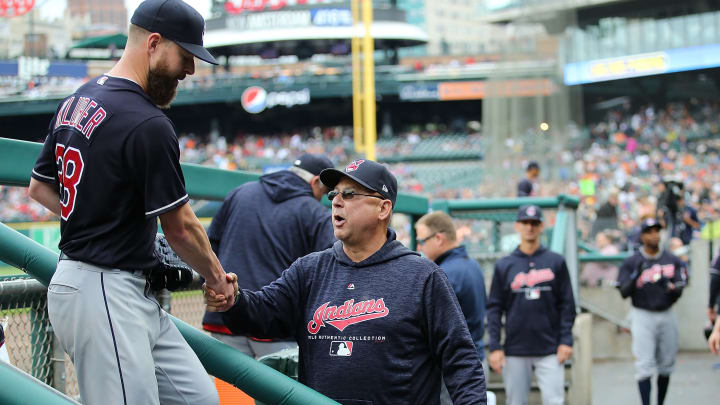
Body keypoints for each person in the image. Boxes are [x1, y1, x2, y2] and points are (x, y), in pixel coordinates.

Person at [27, 1, 236, 403]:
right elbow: (180, 226)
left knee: (199, 398)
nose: (191, 70)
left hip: (120, 286)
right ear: (154, 43)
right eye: (186, 56)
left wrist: (99, 215)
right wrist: (216, 279)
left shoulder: (78, 100)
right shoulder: (148, 122)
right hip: (102, 286)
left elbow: (40, 188)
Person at [206, 159, 487, 404]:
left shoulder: (422, 275)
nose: (336, 201)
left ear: (383, 209)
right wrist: (234, 298)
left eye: (350, 194)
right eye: (334, 195)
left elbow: (460, 358)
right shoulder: (309, 269)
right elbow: (263, 312)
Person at [202, 153, 336, 359]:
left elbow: (210, 245)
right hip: (276, 323)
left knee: (232, 390)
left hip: (225, 311)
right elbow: (328, 270)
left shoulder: (240, 193)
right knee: (278, 391)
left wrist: (218, 288)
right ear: (316, 181)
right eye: (325, 191)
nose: (322, 196)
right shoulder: (315, 212)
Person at [487, 205, 576, 405]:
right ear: (517, 226)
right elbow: (494, 307)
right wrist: (495, 346)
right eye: (525, 223)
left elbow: (567, 305)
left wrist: (566, 340)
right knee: (515, 402)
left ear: (542, 226)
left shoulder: (556, 261)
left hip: (550, 348)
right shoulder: (505, 264)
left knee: (555, 401)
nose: (530, 227)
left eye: (534, 223)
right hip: (515, 348)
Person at [415, 211, 487, 405]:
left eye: (421, 241)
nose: (418, 247)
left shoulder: (443, 273)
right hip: (476, 358)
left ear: (438, 238)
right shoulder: (472, 265)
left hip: (454, 369)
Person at [616, 218, 688, 405]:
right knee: (644, 365)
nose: (654, 235)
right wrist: (636, 276)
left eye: (657, 230)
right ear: (642, 235)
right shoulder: (632, 261)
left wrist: (671, 287)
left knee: (666, 365)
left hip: (666, 313)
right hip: (642, 315)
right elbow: (623, 292)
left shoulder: (671, 260)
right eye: (649, 231)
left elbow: (680, 288)